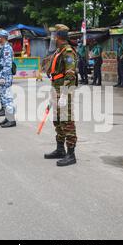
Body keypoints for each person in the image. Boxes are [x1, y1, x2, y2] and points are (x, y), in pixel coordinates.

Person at [44, 24, 78, 167]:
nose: (53, 38)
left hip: (64, 91)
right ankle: (60, 149)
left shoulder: (68, 52)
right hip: (56, 89)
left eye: (54, 36)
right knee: (57, 121)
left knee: (67, 121)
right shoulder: (59, 51)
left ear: (59, 37)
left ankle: (71, 154)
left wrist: (64, 95)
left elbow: (70, 75)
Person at [0, 30, 16, 128]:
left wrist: (2, 77)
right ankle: (8, 118)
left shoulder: (6, 48)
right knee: (3, 98)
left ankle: (11, 120)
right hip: (2, 75)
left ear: (3, 37)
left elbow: (7, 64)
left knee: (7, 99)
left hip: (5, 77)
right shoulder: (3, 47)